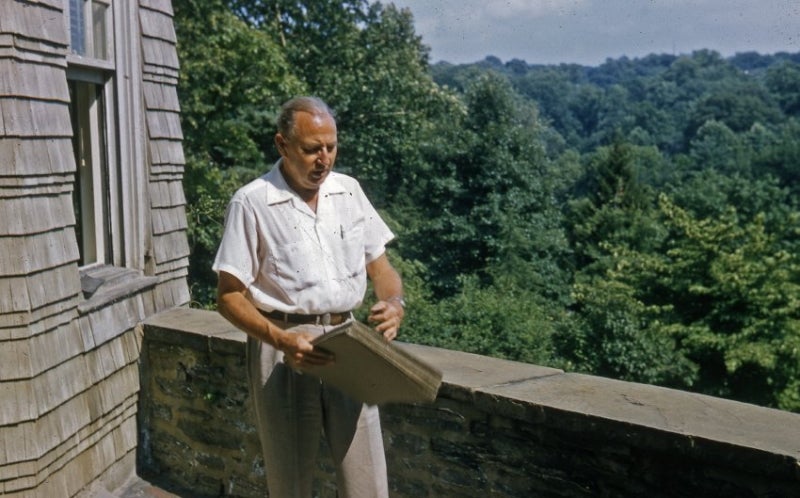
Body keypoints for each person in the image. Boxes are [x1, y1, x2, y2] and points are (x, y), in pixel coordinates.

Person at [213, 96, 405, 497]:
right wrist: (282, 340)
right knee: (290, 483)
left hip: (348, 343)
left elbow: (382, 269)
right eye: (311, 149)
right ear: (282, 145)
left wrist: (394, 303)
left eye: (331, 147)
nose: (324, 159)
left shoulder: (348, 191)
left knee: (368, 481)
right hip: (283, 348)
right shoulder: (251, 202)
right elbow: (229, 296)